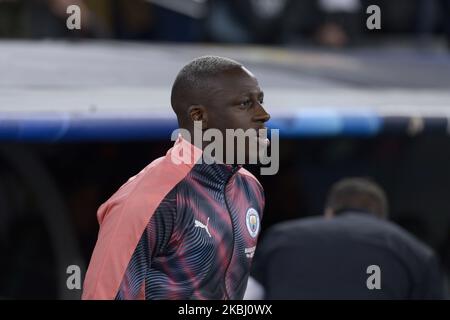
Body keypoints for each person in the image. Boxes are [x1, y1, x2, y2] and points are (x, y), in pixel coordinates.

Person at [82, 56, 271, 300]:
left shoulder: (250, 188)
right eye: (245, 103)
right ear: (198, 117)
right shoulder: (147, 199)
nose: (264, 114)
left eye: (261, 101)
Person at [246, 177, 446, 299]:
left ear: (329, 212)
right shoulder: (416, 252)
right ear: (381, 218)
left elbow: (247, 297)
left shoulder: (280, 237)